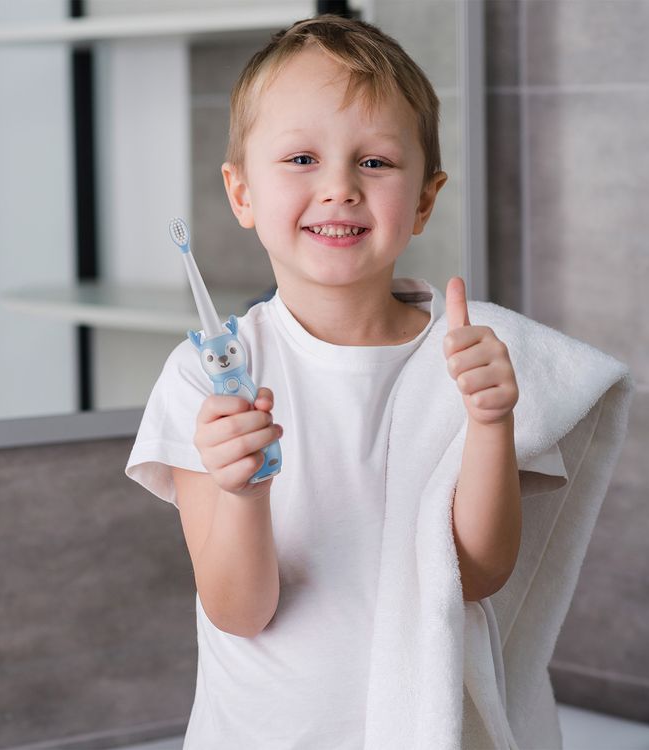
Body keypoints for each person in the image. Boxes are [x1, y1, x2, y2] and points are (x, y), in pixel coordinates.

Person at [125, 14, 557, 748]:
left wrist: (490, 423)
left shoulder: (471, 359)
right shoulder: (207, 380)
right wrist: (244, 493)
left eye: (377, 163)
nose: (338, 189)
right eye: (299, 159)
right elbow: (239, 610)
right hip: (267, 732)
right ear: (242, 193)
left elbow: (478, 577)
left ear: (424, 199)